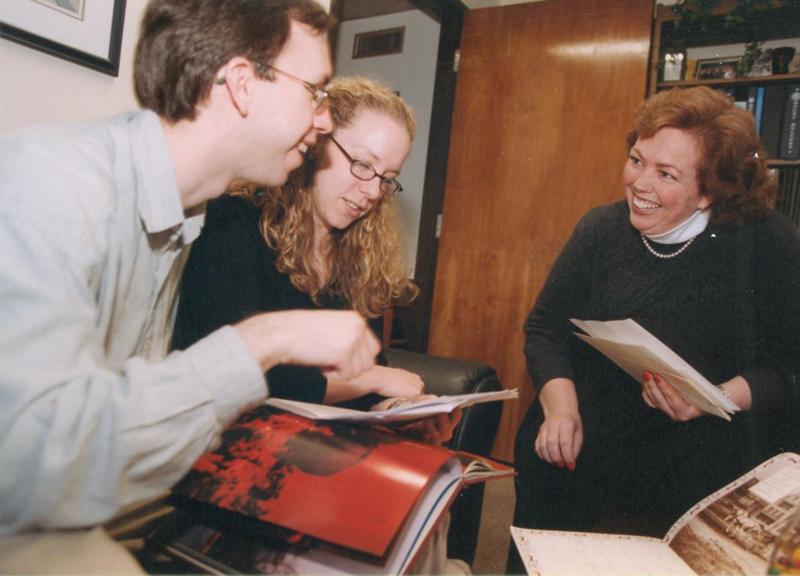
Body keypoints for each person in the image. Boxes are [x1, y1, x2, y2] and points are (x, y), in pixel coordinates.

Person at [0, 1, 383, 572]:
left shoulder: (188, 218)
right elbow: (25, 471)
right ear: (242, 84)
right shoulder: (48, 185)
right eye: (316, 91)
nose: (325, 121)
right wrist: (262, 341)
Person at [508, 86, 800, 573]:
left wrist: (715, 396)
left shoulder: (768, 244)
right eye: (637, 159)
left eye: (665, 174)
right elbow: (546, 327)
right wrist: (560, 409)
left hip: (698, 459)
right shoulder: (600, 229)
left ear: (711, 190)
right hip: (585, 434)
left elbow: (792, 367)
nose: (638, 183)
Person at [173, 76, 458, 442]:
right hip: (230, 448)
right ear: (316, 145)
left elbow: (366, 380)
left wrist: (399, 411)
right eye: (361, 164)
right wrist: (368, 380)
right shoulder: (235, 223)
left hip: (317, 452)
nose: (372, 191)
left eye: (387, 179)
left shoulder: (357, 256)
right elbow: (235, 375)